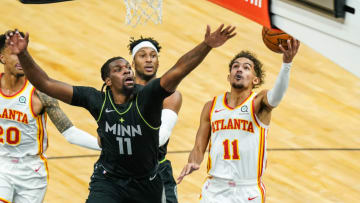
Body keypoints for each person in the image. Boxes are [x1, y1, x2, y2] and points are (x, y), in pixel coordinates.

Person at [6, 24, 236, 203]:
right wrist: (24, 54)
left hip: (147, 183)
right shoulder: (96, 99)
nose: (126, 70)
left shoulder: (148, 97)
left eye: (127, 67)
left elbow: (178, 69)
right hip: (109, 180)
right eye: (118, 69)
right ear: (107, 81)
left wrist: (206, 45)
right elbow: (46, 82)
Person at [177, 40, 300, 202]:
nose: (239, 69)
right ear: (229, 77)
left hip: (247, 190)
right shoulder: (211, 106)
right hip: (215, 188)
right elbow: (199, 147)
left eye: (246, 67)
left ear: (255, 80)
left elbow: (276, 97)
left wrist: (286, 65)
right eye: (235, 66)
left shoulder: (259, 102)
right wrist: (193, 162)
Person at [0, 30, 101, 203]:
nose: (21, 59)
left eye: (23, 53)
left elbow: (70, 133)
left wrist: (109, 146)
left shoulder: (40, 93)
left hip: (32, 172)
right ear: (2, 57)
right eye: (14, 54)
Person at [128, 36, 182, 203]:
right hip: (123, 171)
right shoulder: (121, 93)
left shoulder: (171, 95)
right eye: (142, 55)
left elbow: (161, 137)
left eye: (153, 55)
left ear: (158, 62)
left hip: (156, 169)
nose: (149, 59)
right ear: (133, 63)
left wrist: (117, 142)